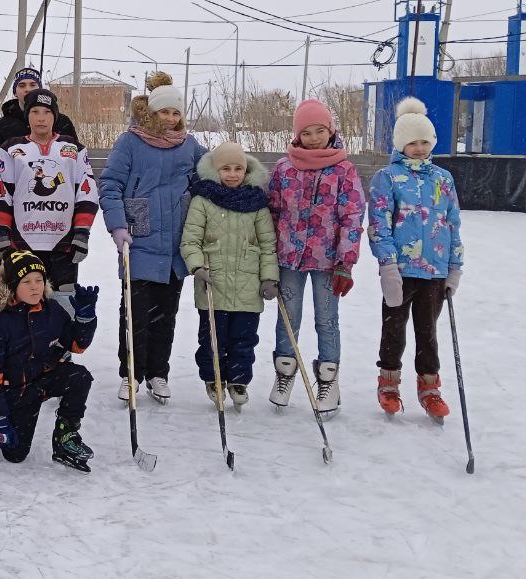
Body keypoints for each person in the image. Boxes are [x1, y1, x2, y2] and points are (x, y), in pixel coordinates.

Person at [98, 71, 205, 405]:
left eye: (176, 112)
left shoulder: (189, 145)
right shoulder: (131, 141)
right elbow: (110, 184)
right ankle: (130, 374)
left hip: (174, 242)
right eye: (164, 112)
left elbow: (213, 173)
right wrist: (117, 226)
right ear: (152, 112)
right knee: (134, 313)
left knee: (166, 314)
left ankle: (159, 372)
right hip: (138, 237)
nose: (170, 119)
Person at [266, 98, 365, 417]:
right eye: (306, 132)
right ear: (297, 134)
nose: (313, 137)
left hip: (328, 261)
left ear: (330, 130)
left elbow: (352, 216)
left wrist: (346, 263)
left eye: (319, 130)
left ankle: (328, 380)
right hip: (289, 258)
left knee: (326, 319)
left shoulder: (344, 170)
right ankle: (284, 373)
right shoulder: (284, 168)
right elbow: (271, 211)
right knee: (288, 318)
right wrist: (268, 253)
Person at [367, 98, 464, 419]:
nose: (420, 148)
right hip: (401, 270)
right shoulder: (387, 178)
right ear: (400, 144)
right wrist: (387, 266)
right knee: (393, 329)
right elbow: (378, 224)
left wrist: (455, 267)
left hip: (435, 270)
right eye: (412, 142)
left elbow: (453, 223)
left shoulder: (443, 179)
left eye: (425, 142)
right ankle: (389, 383)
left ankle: (430, 387)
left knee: (428, 331)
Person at [0, 249, 99, 472]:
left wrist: (86, 318)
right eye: (27, 281)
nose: (35, 286)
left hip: (42, 378)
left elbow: (77, 346)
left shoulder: (52, 309)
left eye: (39, 280)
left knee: (79, 377)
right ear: (13, 285)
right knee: (15, 453)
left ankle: (65, 435)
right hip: (14, 391)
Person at [180, 142, 279, 408]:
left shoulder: (256, 202)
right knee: (212, 338)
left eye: (238, 168)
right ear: (216, 169)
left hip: (248, 285)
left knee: (244, 338)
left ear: (246, 171)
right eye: (226, 168)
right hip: (214, 283)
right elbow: (191, 240)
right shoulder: (203, 199)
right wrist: (197, 266)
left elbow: (268, 244)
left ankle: (238, 380)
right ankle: (213, 378)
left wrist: (269, 277)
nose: (232, 174)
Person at [0, 88, 98, 310]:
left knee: (64, 304)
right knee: (24, 300)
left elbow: (87, 192)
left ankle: (63, 345)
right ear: (27, 115)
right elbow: (3, 194)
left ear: (55, 116)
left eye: (47, 112)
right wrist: (1, 232)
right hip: (23, 242)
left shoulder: (73, 149)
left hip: (63, 243)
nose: (41, 118)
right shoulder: (10, 149)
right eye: (35, 112)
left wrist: (82, 232)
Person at [0, 67, 79, 153]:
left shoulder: (62, 122)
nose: (27, 89)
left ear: (40, 89)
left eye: (32, 85)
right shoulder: (0, 126)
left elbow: (75, 156)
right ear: (15, 92)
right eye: (22, 86)